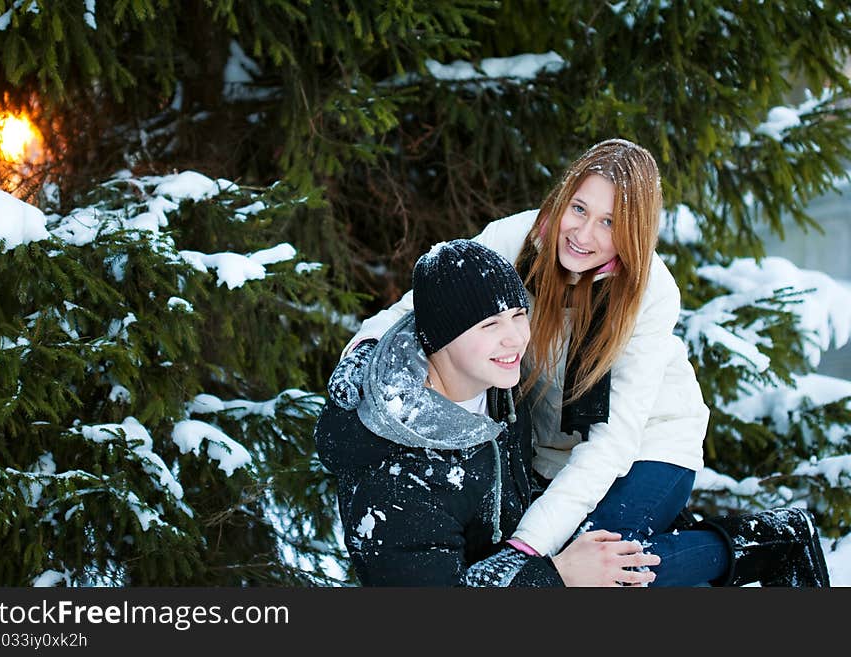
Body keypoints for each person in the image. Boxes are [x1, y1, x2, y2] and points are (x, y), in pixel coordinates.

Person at [327, 139, 830, 587]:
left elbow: (614, 442)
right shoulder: (519, 241)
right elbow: (430, 302)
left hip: (648, 443)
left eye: (609, 222)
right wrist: (361, 356)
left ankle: (762, 544)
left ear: (634, 231)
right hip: (552, 449)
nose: (583, 234)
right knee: (572, 571)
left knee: (604, 576)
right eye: (579, 208)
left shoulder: (648, 292)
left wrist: (526, 551)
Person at [315, 239, 662, 586]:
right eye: (490, 325)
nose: (515, 339)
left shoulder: (494, 383)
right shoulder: (395, 483)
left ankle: (716, 544)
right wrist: (559, 575)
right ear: (440, 336)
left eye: (518, 315)